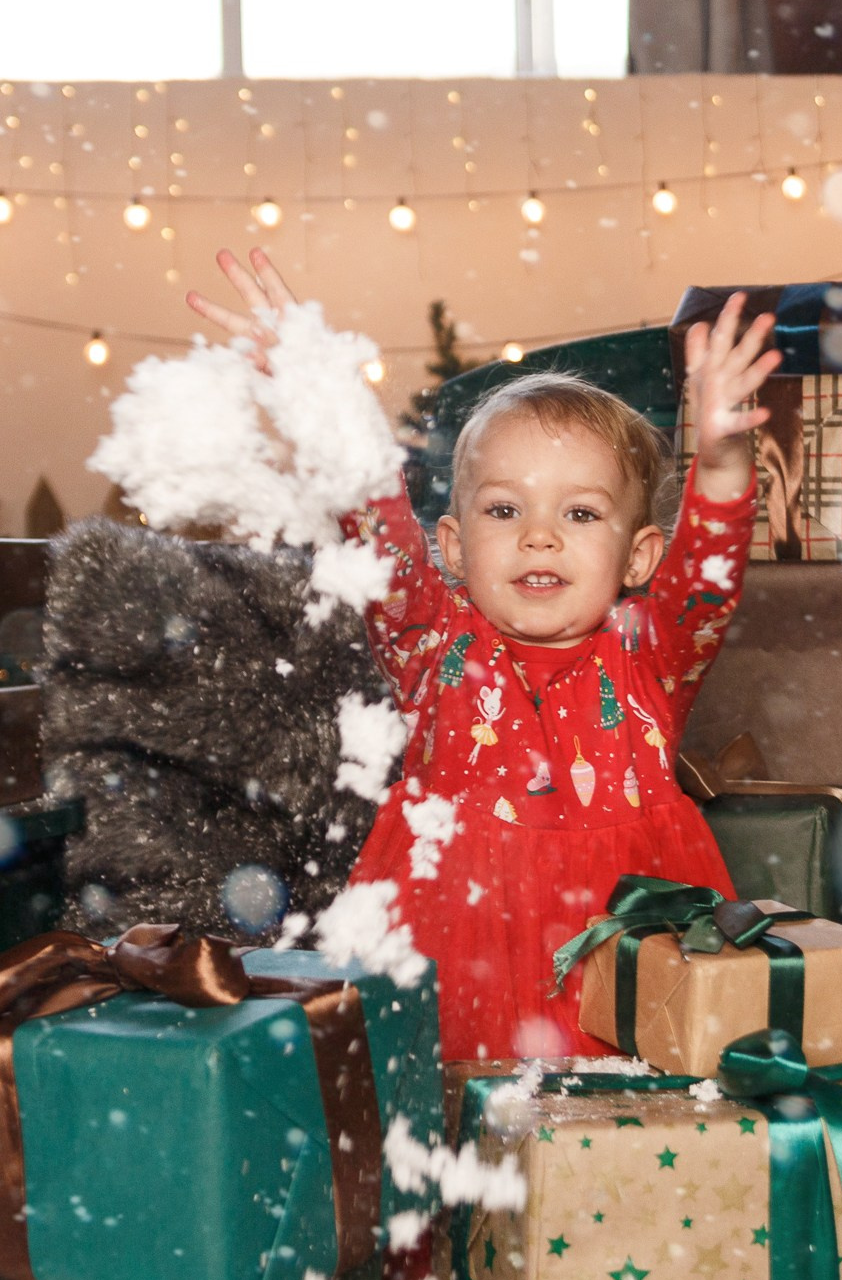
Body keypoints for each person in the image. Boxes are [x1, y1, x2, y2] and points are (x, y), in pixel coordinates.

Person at [190, 249, 780, 1059]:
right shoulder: (430, 641)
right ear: (456, 547)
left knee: (634, 1156)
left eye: (580, 513)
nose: (539, 534)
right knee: (449, 1145)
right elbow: (377, 517)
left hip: (627, 955)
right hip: (454, 955)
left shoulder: (651, 652)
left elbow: (713, 563)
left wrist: (721, 457)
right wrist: (327, 400)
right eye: (506, 508)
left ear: (639, 558)